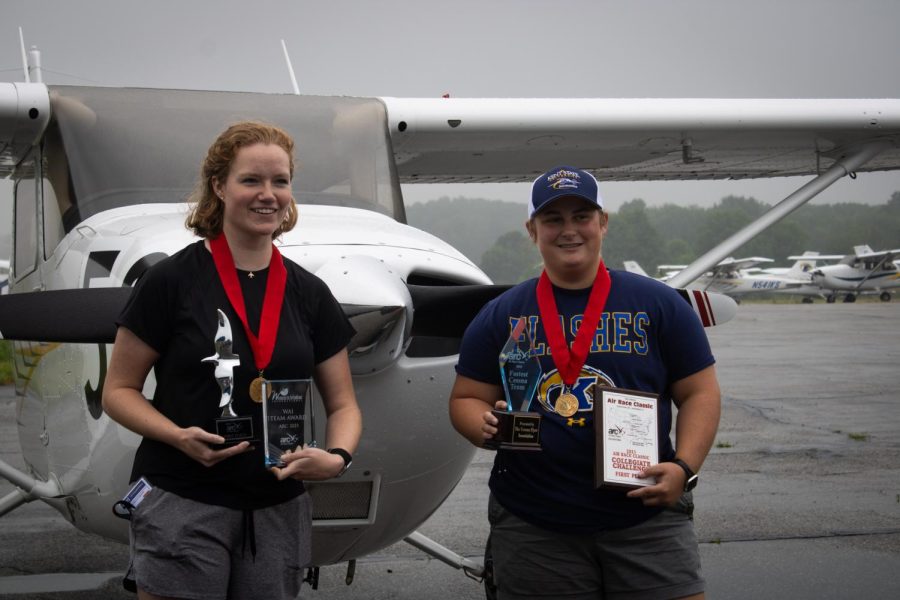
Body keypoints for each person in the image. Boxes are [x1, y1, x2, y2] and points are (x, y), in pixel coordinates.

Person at [103, 121, 362, 600]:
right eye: (251, 180)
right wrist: (177, 437)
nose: (268, 194)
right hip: (183, 497)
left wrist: (337, 458)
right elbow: (117, 391)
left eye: (280, 181)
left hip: (276, 508)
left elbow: (344, 405)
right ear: (219, 187)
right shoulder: (171, 281)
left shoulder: (309, 293)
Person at [449, 166, 720, 600]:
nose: (569, 230)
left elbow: (700, 392)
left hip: (647, 515)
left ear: (603, 223)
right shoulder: (502, 314)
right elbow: (466, 397)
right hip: (535, 524)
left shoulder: (659, 304)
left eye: (581, 216)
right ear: (532, 229)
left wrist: (684, 467)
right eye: (553, 219)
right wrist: (478, 423)